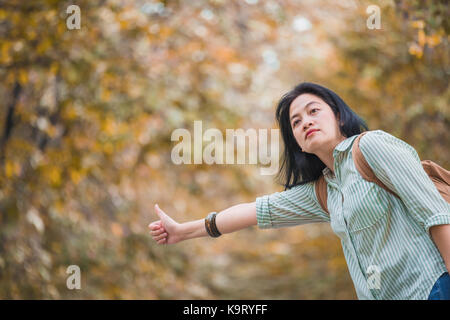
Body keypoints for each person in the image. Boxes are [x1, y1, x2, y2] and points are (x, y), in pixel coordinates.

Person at [148, 82, 450, 300]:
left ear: (338, 115)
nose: (306, 121)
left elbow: (437, 214)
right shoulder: (324, 192)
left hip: (432, 287)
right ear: (298, 143)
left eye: (313, 111)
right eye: (296, 122)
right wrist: (183, 231)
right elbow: (256, 212)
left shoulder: (372, 147)